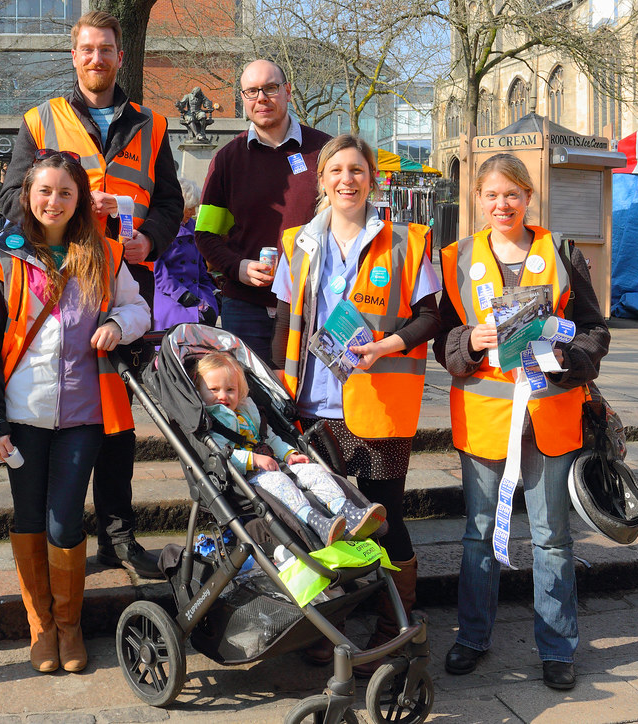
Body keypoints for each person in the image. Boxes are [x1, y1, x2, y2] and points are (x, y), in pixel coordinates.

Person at [0, 10, 184, 580]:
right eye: (86, 50)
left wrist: (146, 238)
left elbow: (171, 205)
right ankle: (64, 533)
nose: (96, 58)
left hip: (122, 288)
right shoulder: (40, 121)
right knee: (68, 416)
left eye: (106, 49)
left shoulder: (151, 125)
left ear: (119, 57)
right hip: (57, 286)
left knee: (119, 424)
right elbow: (12, 200)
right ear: (73, 56)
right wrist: (68, 226)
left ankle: (119, 536)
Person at [0, 149, 150, 675]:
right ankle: (40, 627)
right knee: (29, 518)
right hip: (20, 415)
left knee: (65, 519)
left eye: (65, 192)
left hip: (83, 414)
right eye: (44, 191)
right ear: (27, 195)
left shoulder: (106, 254)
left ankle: (69, 625)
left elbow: (139, 307)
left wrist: (119, 323)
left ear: (80, 201)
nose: (54, 201)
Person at [434, 153, 610, 691]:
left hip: (550, 416)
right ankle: (472, 637)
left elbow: (594, 331)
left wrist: (565, 360)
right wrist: (469, 342)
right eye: (491, 194)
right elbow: (443, 339)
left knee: (553, 538)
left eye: (512, 194)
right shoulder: (455, 259)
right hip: (486, 417)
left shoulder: (561, 252)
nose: (502, 204)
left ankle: (558, 648)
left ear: (529, 197)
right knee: (478, 534)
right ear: (478, 201)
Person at [272, 134, 440, 671]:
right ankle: (334, 624)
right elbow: (283, 325)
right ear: (321, 179)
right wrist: (280, 393)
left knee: (384, 516)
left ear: (373, 178)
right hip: (315, 406)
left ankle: (398, 623)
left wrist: (385, 346)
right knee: (326, 518)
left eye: (358, 170)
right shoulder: (298, 242)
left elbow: (431, 317)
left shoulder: (408, 241)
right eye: (337, 170)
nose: (347, 179)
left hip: (381, 405)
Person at [195, 59, 330, 364]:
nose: (262, 99)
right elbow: (205, 234)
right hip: (245, 306)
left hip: (311, 305)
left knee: (306, 403)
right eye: (252, 91)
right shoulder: (227, 160)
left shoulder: (324, 152)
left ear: (287, 91)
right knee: (247, 399)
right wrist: (237, 266)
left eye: (270, 88)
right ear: (242, 98)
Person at [195, 352, 386, 545]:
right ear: (199, 390)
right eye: (214, 389)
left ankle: (345, 508)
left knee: (314, 470)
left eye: (230, 389)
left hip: (274, 463)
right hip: (249, 477)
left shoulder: (247, 412)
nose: (223, 396)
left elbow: (269, 437)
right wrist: (253, 460)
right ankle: (316, 521)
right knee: (280, 483)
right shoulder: (210, 423)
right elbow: (220, 456)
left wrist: (288, 454)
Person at [153, 177, 218, 330]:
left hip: (194, 291)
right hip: (168, 293)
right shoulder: (161, 226)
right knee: (178, 325)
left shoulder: (192, 226)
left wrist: (212, 290)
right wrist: (180, 294)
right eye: (189, 208)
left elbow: (200, 266)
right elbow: (157, 270)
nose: (193, 212)